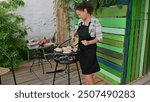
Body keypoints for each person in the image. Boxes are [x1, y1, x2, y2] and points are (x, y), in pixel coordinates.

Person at [75, 1, 103, 85]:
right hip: (81, 50)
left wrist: (89, 42)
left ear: (85, 11)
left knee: (87, 72)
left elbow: (100, 37)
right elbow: (78, 34)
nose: (79, 16)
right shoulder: (80, 21)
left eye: (80, 14)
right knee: (85, 71)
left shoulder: (95, 22)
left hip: (89, 50)